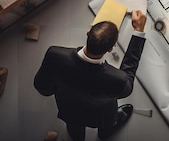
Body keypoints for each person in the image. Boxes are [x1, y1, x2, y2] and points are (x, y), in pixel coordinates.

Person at [34, 10, 147, 141]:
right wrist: (138, 32)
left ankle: (77, 137)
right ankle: (104, 133)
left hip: (69, 109)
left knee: (74, 128)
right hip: (101, 115)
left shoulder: (54, 55)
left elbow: (41, 87)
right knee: (106, 125)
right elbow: (128, 79)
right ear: (111, 48)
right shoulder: (117, 80)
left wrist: (61, 87)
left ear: (88, 33)